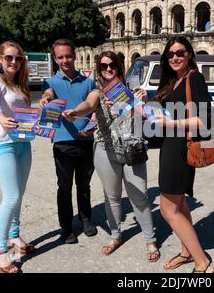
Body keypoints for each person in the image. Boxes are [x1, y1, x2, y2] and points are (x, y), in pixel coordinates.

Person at [62, 51, 161, 262]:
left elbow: (147, 117)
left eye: (112, 65)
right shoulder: (97, 92)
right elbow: (88, 105)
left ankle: (150, 238)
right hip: (105, 150)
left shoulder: (134, 90)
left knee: (140, 196)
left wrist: (141, 101)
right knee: (112, 197)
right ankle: (116, 235)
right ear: (99, 69)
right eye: (104, 66)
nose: (108, 69)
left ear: (119, 67)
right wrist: (75, 112)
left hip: (132, 149)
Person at [152, 36, 214, 273]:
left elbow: (204, 121)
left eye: (180, 52)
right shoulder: (175, 81)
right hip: (171, 146)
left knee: (167, 210)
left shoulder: (194, 78)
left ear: (189, 54)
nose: (175, 57)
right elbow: (168, 112)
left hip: (180, 149)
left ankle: (203, 264)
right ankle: (186, 252)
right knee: (180, 205)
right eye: (170, 54)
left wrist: (170, 124)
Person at [0, 41, 35, 273]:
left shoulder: (19, 85)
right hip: (2, 144)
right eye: (9, 58)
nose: (14, 62)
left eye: (18, 58)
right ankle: (0, 250)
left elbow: (26, 115)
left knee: (19, 194)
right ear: (0, 59)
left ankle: (14, 236)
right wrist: (2, 119)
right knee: (11, 196)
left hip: (22, 144)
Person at [39, 39, 97, 244]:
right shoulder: (50, 82)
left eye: (68, 55)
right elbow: (47, 93)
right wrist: (46, 99)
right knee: (64, 187)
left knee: (84, 184)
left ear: (74, 56)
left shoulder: (88, 81)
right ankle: (66, 227)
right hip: (62, 142)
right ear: (56, 59)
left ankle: (86, 218)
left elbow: (93, 107)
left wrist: (91, 125)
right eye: (60, 57)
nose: (65, 60)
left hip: (85, 141)